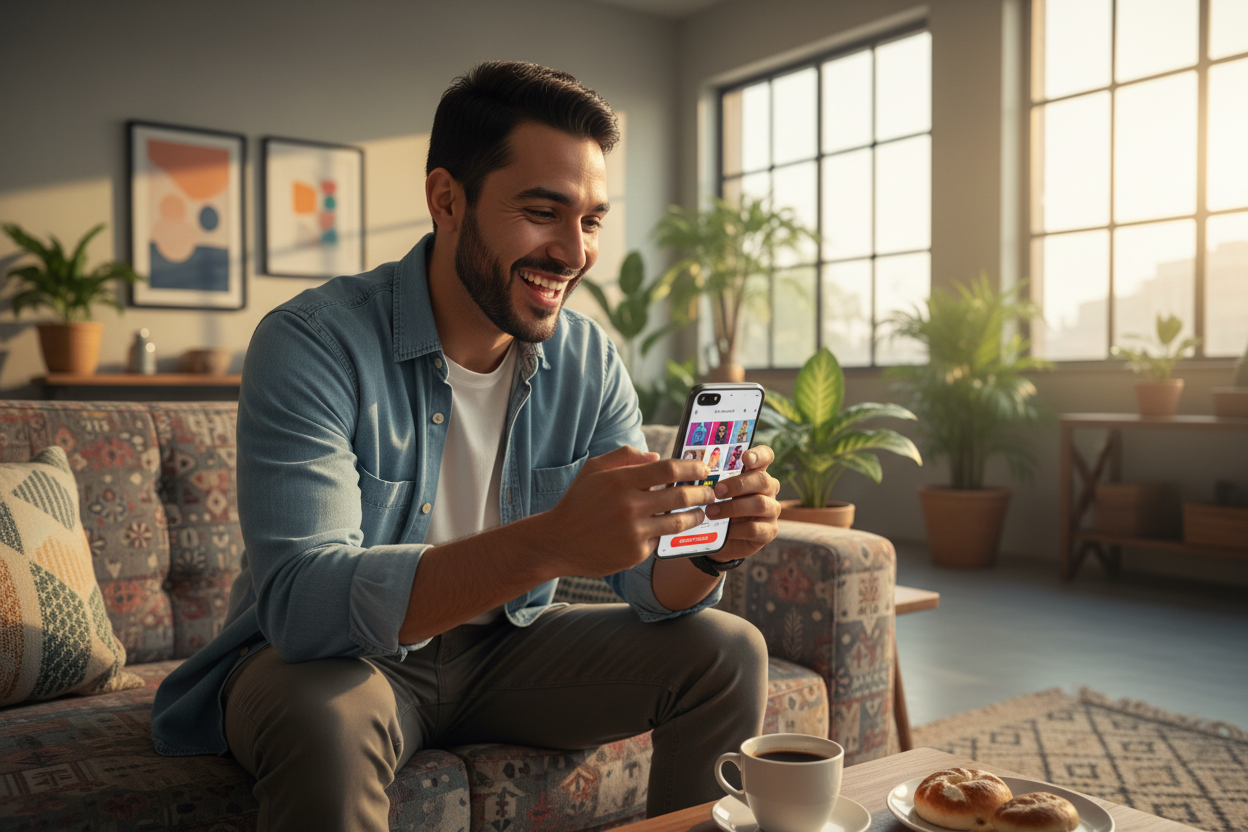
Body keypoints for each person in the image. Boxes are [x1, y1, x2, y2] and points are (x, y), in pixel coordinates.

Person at [151, 61, 781, 832]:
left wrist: (711, 549)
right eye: (543, 212)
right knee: (326, 719)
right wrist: (550, 542)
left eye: (589, 221)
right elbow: (301, 606)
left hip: (503, 653)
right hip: (338, 665)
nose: (573, 251)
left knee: (727, 649)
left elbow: (651, 587)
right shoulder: (313, 343)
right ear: (447, 200)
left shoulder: (588, 361)